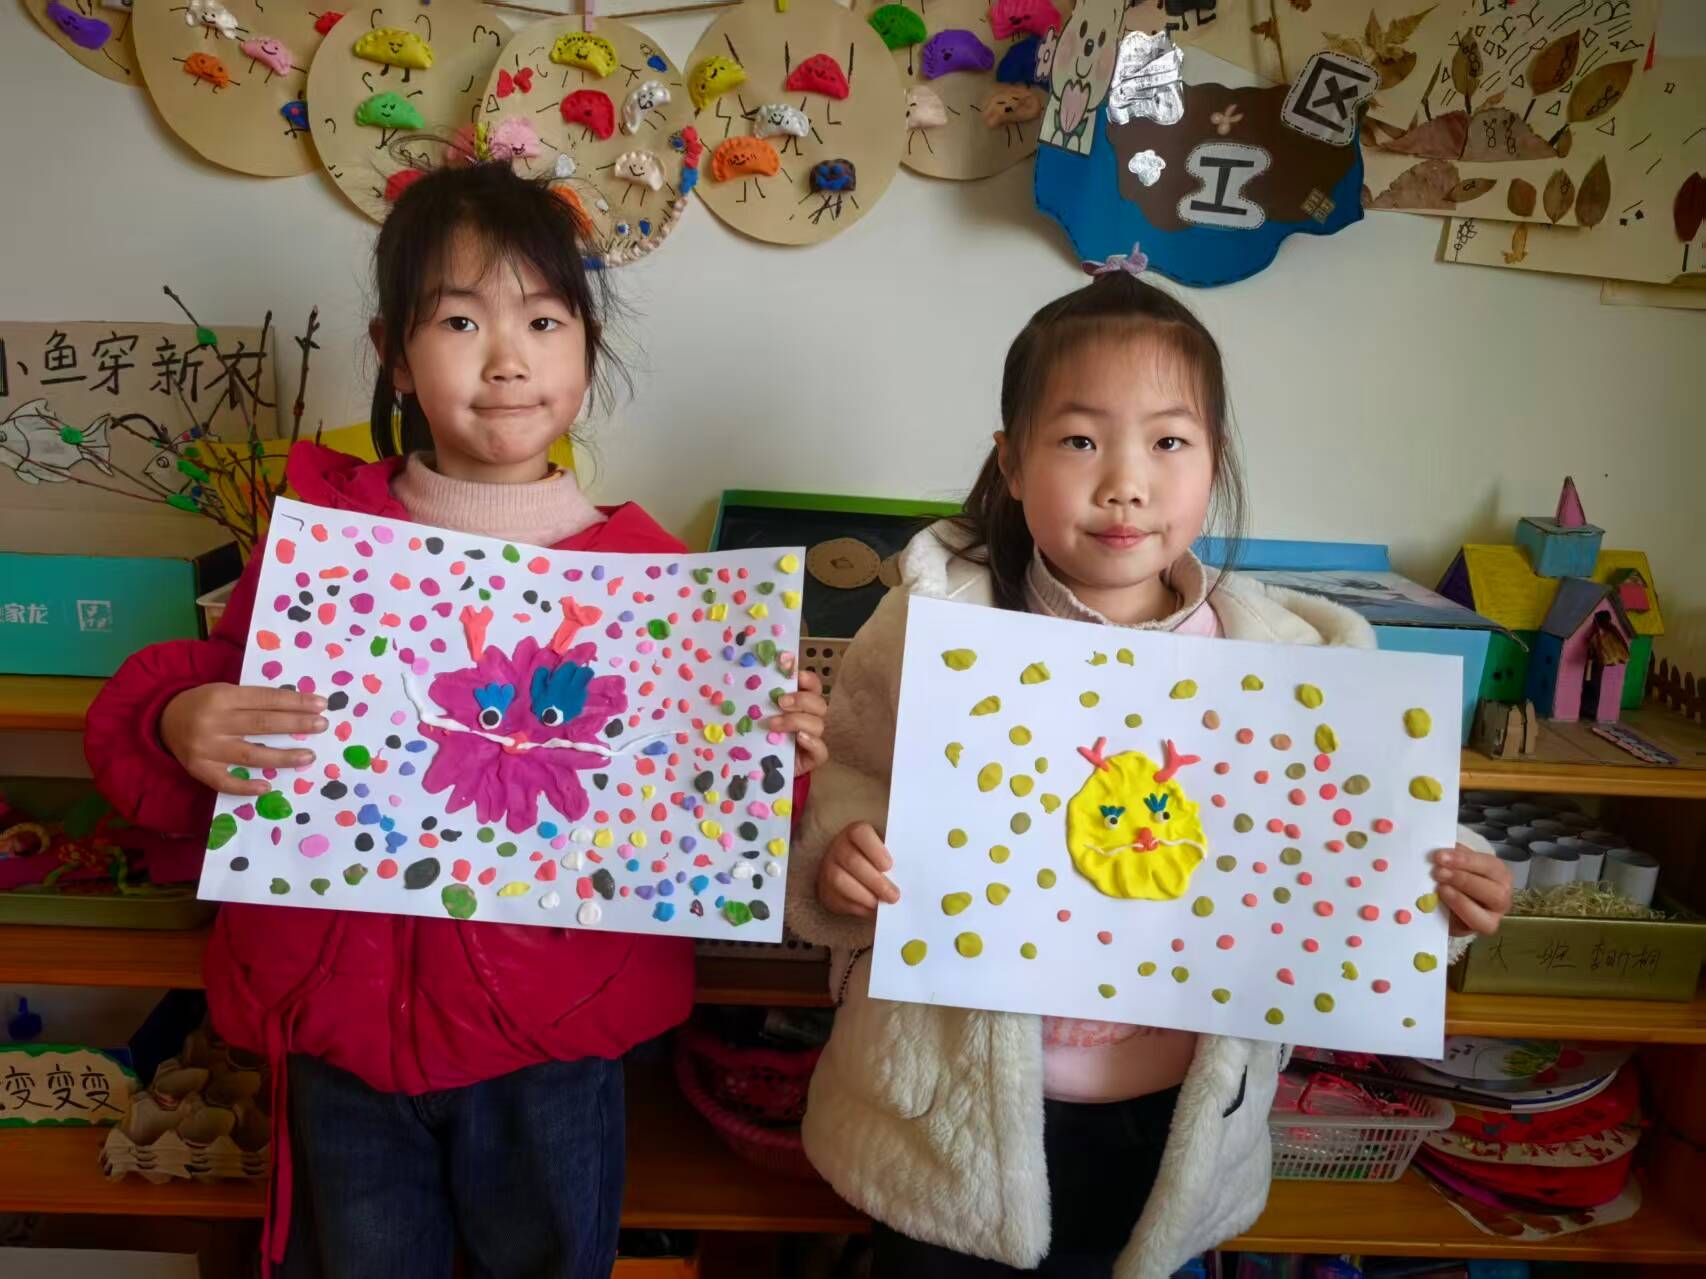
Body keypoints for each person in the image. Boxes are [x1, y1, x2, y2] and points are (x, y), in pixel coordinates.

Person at [85, 162, 828, 1278]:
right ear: (393, 351)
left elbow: (702, 816)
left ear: (587, 347)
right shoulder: (323, 547)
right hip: (341, 1037)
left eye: (544, 320)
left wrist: (775, 750)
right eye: (459, 321)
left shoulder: (653, 581)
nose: (507, 358)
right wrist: (178, 721)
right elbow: (200, 706)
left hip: (552, 1044)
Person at [784, 253, 1512, 1278]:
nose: (1125, 482)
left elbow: (1352, 829)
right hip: (951, 1122)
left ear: (1213, 461)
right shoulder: (933, 629)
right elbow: (851, 779)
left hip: (1170, 1125)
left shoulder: (1285, 662)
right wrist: (838, 862)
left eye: (1168, 441)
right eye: (1079, 439)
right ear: (1010, 461)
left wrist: (1441, 885)